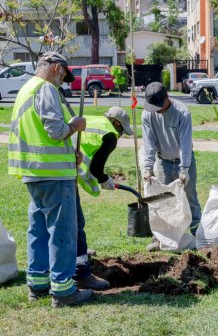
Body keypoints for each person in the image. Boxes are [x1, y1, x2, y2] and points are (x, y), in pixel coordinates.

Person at [8, 51, 92, 307]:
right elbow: (55, 131)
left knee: (39, 230)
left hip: (34, 173)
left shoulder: (26, 89)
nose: (63, 81)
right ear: (56, 68)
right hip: (53, 175)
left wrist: (70, 155)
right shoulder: (45, 89)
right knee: (62, 231)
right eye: (64, 75)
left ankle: (38, 284)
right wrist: (76, 125)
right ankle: (64, 290)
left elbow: (41, 136)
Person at [73, 107, 133, 288]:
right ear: (116, 123)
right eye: (122, 129)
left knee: (69, 220)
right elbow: (96, 168)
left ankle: (74, 255)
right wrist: (104, 179)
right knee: (76, 222)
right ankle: (80, 269)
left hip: (63, 166)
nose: (120, 134)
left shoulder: (90, 119)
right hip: (68, 170)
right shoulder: (109, 135)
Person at [141, 82, 202, 251]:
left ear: (167, 97)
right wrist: (148, 168)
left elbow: (185, 144)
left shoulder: (182, 113)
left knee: (190, 198)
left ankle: (199, 236)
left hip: (184, 161)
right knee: (162, 200)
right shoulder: (148, 114)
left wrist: (184, 169)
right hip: (163, 162)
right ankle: (160, 239)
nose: (156, 110)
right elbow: (149, 143)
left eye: (159, 106)